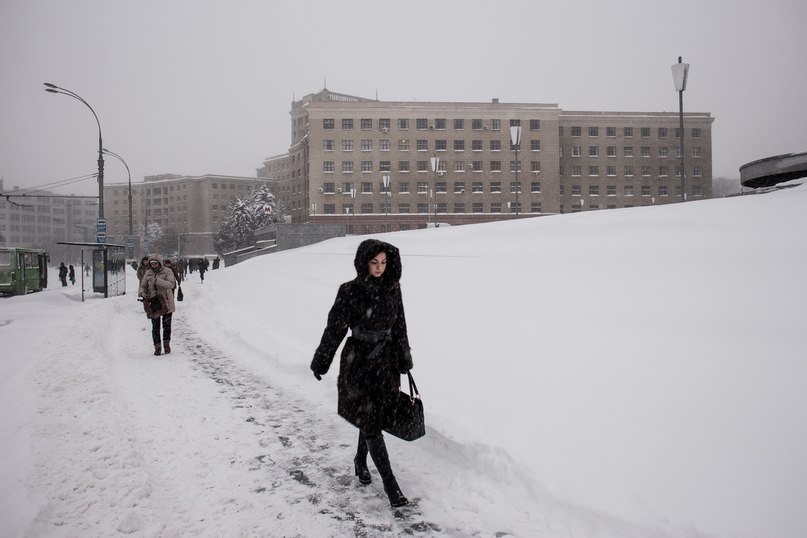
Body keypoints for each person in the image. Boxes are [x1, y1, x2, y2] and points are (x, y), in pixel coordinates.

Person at [310, 239, 414, 508]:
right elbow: (334, 329)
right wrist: (322, 361)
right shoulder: (349, 291)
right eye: (374, 262)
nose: (379, 268)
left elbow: (400, 325)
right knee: (368, 419)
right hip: (359, 361)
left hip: (386, 362)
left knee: (374, 416)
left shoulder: (393, 289)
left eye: (384, 262)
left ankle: (360, 459)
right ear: (363, 262)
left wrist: (404, 356)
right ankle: (391, 486)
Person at [138, 254, 176, 356]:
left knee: (166, 325)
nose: (153, 265)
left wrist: (157, 281)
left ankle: (166, 344)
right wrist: (142, 293)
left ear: (159, 263)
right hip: (154, 302)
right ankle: (157, 347)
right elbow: (142, 286)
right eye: (152, 264)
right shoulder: (148, 273)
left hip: (166, 301)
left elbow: (171, 284)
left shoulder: (168, 271)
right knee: (155, 326)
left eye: (155, 263)